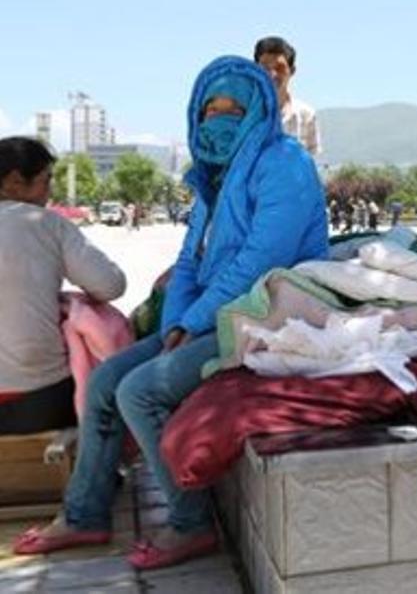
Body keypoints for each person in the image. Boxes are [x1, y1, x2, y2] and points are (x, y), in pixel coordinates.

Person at [12, 56, 329, 569]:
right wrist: (174, 324)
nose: (220, 118)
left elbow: (259, 260)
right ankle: (85, 512)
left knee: (141, 391)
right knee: (104, 383)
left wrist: (192, 321)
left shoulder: (284, 162)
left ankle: (190, 523)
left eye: (234, 108)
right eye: (210, 109)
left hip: (270, 312)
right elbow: (189, 261)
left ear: (257, 110)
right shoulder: (211, 176)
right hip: (215, 313)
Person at [0, 137, 126, 435]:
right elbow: (110, 285)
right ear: (15, 182)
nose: (50, 191)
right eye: (46, 180)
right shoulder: (47, 224)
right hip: (39, 400)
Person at [254, 36, 321, 157]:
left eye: (279, 68)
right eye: (265, 68)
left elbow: (310, 166)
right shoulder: (242, 113)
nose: (272, 74)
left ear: (292, 70)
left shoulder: (306, 116)